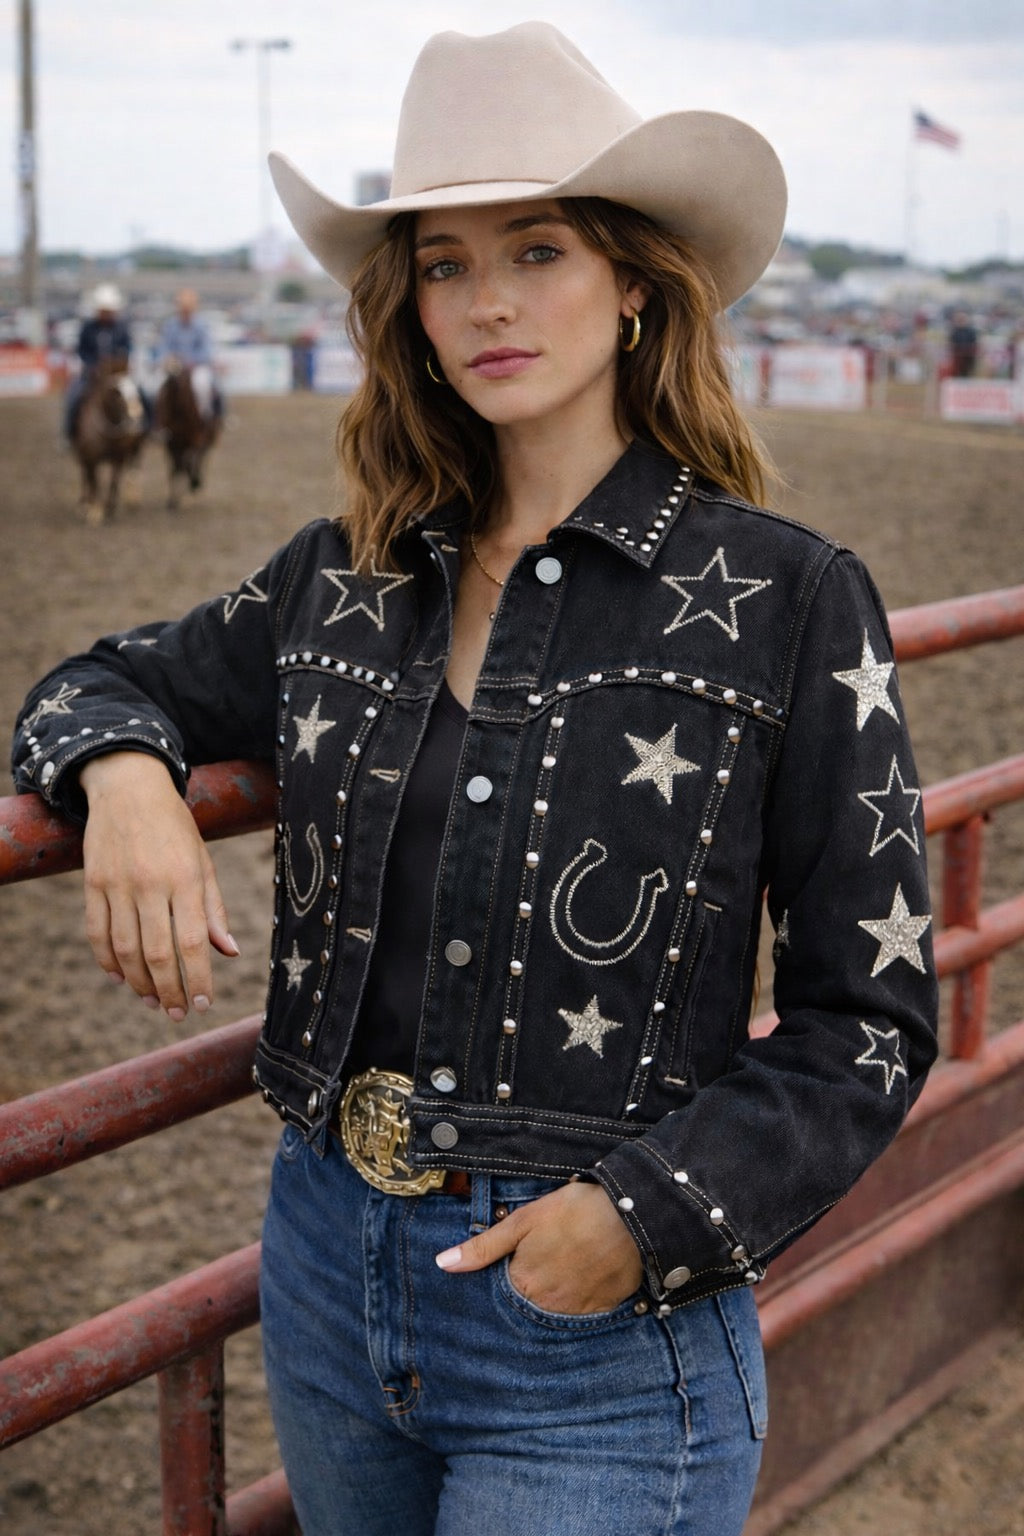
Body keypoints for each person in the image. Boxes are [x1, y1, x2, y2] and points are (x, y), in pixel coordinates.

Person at [12, 23, 937, 1536]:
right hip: (324, 1267)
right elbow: (94, 681)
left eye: (539, 249)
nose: (489, 301)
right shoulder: (347, 575)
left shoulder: (789, 599)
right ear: (410, 306)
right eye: (444, 262)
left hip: (596, 1327)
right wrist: (123, 780)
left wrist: (639, 1223)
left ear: (634, 282)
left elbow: (872, 1019)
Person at [63, 282, 136, 441]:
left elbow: (128, 348)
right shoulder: (88, 328)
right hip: (92, 374)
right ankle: (69, 433)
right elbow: (82, 350)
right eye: (104, 310)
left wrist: (118, 362)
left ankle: (140, 431)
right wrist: (92, 365)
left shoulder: (121, 328)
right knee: (73, 395)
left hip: (117, 375)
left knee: (136, 395)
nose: (107, 313)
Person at [156, 286, 224, 420]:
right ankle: (159, 420)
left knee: (202, 385)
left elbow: (207, 351)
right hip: (174, 367)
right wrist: (167, 359)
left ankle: (204, 417)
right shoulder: (170, 325)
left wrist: (191, 361)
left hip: (196, 368)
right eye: (182, 307)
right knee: (156, 386)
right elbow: (163, 347)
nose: (185, 311)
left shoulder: (202, 326)